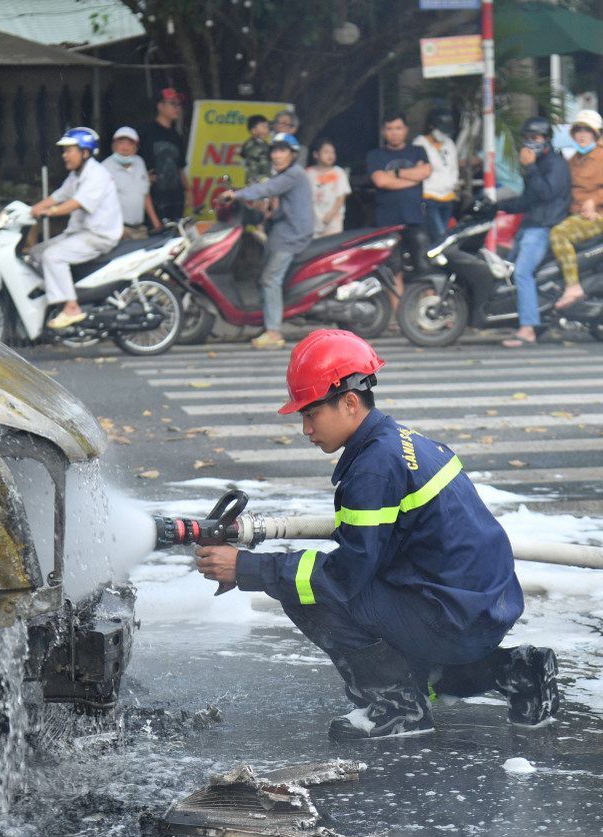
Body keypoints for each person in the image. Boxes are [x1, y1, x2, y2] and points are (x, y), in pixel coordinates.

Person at [193, 329, 560, 740]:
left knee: (304, 589)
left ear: (349, 402)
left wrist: (248, 568)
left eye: (311, 414)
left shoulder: (373, 468)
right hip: (484, 609)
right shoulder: (407, 441)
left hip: (452, 621)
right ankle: (517, 671)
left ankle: (398, 708)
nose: (305, 429)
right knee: (395, 643)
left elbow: (344, 577)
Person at [219, 132, 313, 349]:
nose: (276, 156)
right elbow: (286, 207)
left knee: (270, 279)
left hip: (292, 236)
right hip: (283, 232)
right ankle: (266, 322)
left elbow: (266, 188)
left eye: (282, 151)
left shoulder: (294, 175)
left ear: (293, 155)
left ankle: (273, 332)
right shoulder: (289, 176)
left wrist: (236, 194)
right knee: (263, 275)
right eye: (274, 151)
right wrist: (267, 215)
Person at [30, 127, 123, 330]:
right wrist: (32, 209)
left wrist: (50, 212)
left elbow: (75, 203)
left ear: (85, 152)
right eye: (64, 151)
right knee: (36, 253)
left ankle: (71, 307)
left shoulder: (96, 174)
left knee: (53, 256)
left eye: (69, 150)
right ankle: (59, 296)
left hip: (98, 236)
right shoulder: (76, 175)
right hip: (80, 233)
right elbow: (59, 195)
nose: (64, 156)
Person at [495, 116, 572, 347]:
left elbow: (546, 193)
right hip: (530, 225)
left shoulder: (555, 164)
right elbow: (529, 200)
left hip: (544, 228)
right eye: (527, 138)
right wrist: (497, 206)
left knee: (522, 273)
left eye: (535, 138)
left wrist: (529, 167)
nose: (530, 142)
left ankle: (528, 329)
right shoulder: (538, 164)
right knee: (508, 271)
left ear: (546, 139)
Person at [548, 110, 603, 309]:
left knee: (559, 235)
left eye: (587, 130)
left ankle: (573, 286)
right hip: (576, 214)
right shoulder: (574, 159)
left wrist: (595, 201)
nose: (582, 134)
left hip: (599, 217)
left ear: (597, 135)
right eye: (578, 130)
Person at [367, 111, 432, 281]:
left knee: (424, 266)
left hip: (415, 218)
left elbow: (425, 172)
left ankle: (428, 304)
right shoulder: (375, 155)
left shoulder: (418, 151)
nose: (394, 133)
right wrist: (412, 178)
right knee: (393, 269)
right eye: (389, 128)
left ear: (405, 130)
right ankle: (396, 308)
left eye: (398, 128)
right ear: (383, 131)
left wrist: (394, 173)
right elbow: (380, 181)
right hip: (387, 222)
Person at [137, 88, 188, 225]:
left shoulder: (176, 136)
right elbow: (132, 161)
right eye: (173, 103)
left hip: (175, 199)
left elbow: (181, 168)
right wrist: (141, 178)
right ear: (160, 106)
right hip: (154, 199)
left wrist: (189, 192)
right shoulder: (145, 131)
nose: (177, 108)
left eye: (179, 105)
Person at [103, 126, 161, 240]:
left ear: (136, 148)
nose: (125, 148)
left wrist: (156, 223)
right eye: (122, 143)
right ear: (114, 146)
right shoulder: (104, 168)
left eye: (130, 144)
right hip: (118, 230)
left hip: (139, 228)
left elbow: (145, 194)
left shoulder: (139, 162)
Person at [413, 107, 461, 243]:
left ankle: (436, 262)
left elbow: (454, 168)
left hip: (448, 197)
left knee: (441, 236)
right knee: (440, 236)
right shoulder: (420, 144)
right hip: (430, 197)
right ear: (431, 126)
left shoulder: (449, 144)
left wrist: (453, 185)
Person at [307, 138, 351, 238]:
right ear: (316, 155)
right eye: (326, 152)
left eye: (333, 152)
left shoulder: (339, 173)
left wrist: (332, 214)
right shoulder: (308, 173)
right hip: (313, 220)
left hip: (333, 221)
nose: (330, 155)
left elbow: (341, 197)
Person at [241, 114, 272, 185]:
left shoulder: (264, 143)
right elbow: (252, 166)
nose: (267, 129)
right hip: (256, 179)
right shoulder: (251, 145)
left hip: (265, 178)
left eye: (267, 127)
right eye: (263, 127)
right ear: (253, 130)